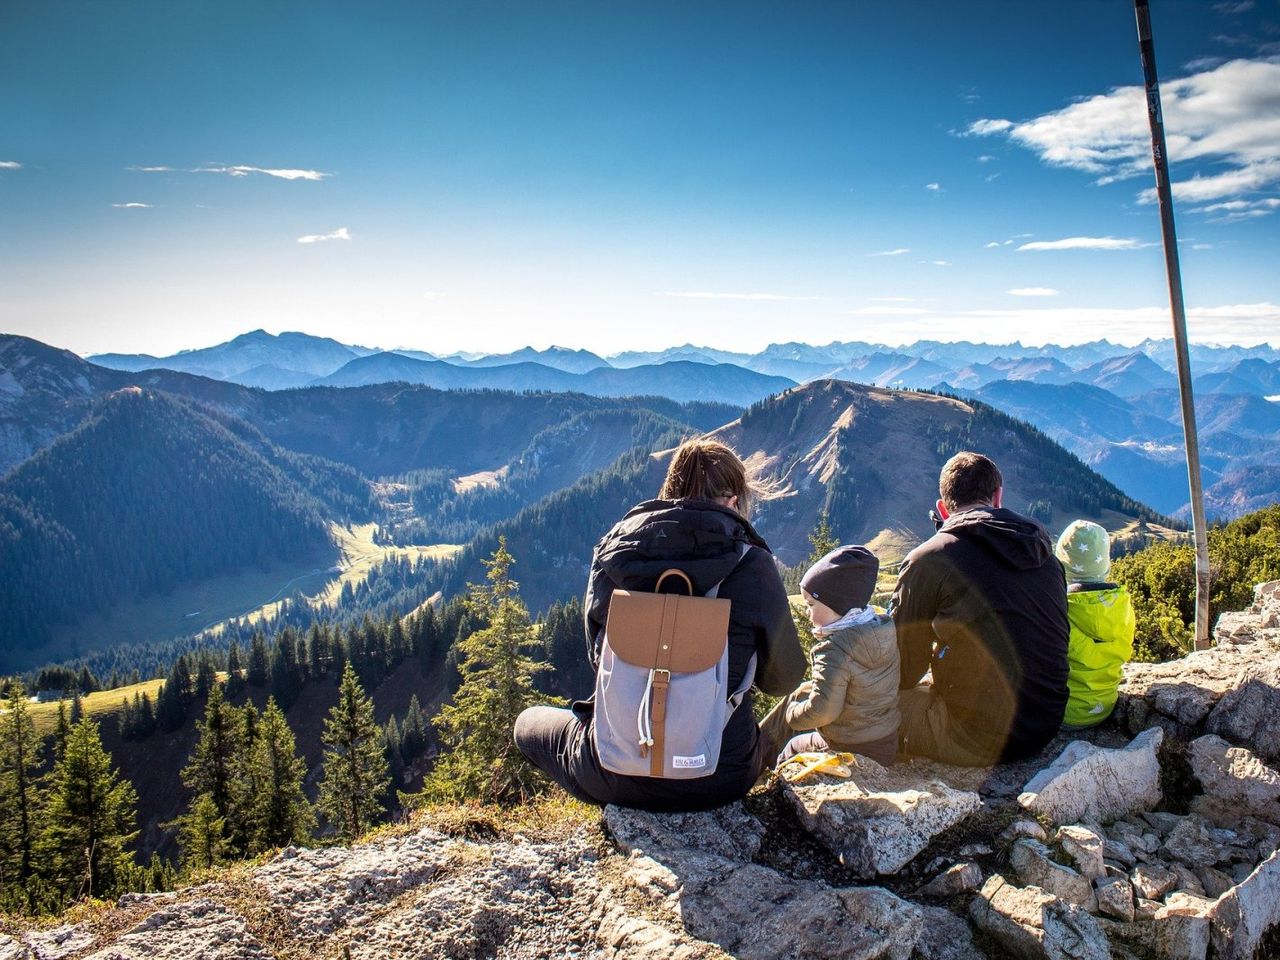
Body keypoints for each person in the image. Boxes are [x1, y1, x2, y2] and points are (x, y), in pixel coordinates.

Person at [513, 438, 805, 812]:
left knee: (527, 724)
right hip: (719, 776)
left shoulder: (614, 553)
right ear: (734, 501)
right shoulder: (752, 565)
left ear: (669, 490)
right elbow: (783, 678)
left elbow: (597, 657)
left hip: (612, 772)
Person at [891, 451, 1069, 765]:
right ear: (998, 497)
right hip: (1044, 725)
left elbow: (905, 670)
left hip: (974, 736)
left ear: (943, 509)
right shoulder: (1046, 556)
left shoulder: (930, 560)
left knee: (848, 706)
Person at [759, 545, 900, 767]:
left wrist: (792, 716)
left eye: (812, 604)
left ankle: (769, 784)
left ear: (837, 605)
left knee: (793, 746)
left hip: (850, 746)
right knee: (800, 692)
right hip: (884, 740)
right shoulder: (882, 630)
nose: (807, 612)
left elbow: (822, 712)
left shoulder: (834, 649)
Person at [1054, 519, 1135, 728]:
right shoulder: (1123, 605)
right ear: (1105, 563)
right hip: (1106, 706)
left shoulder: (1059, 608)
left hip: (1064, 713)